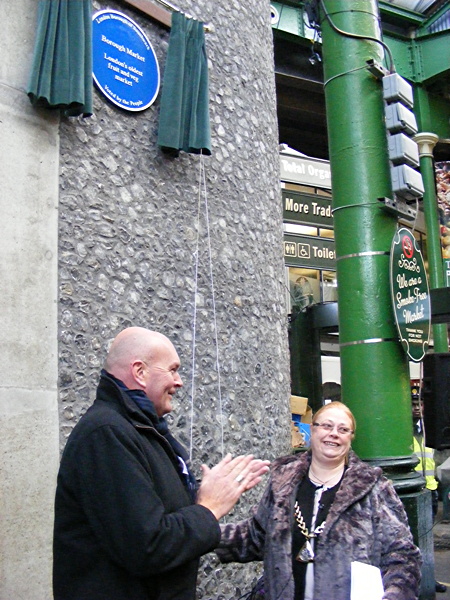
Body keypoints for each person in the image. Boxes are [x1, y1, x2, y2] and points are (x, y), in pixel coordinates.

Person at [53, 327, 270, 600]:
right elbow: (147, 546)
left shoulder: (138, 429)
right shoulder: (107, 434)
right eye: (173, 369)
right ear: (140, 372)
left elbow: (153, 512)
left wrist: (201, 494)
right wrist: (209, 508)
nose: (179, 382)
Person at [216, 401, 422, 600]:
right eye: (326, 426)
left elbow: (402, 556)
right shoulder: (282, 483)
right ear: (312, 430)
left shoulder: (373, 488)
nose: (334, 433)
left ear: (351, 438)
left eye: (343, 430)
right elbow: (255, 536)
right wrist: (203, 526)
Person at [412, 393, 447, 594]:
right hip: (413, 489)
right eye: (413, 404)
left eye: (420, 403)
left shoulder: (430, 430)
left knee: (426, 539)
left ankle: (427, 577)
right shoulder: (404, 429)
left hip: (430, 488)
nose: (417, 408)